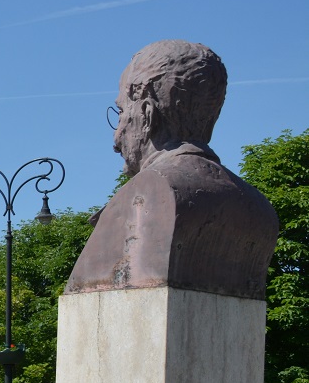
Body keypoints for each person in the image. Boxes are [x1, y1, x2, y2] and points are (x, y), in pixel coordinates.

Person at [67, 40, 278, 299]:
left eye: (120, 112)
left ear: (146, 114)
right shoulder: (259, 209)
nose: (116, 136)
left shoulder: (150, 195)